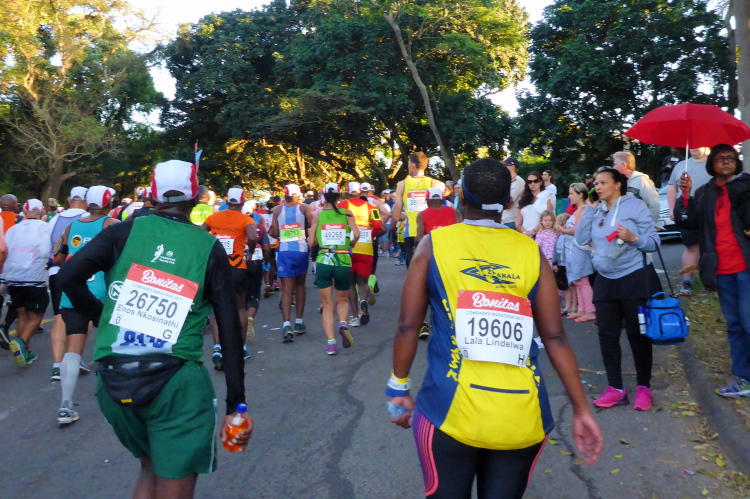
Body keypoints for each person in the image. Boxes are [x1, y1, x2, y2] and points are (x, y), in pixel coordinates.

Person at [387, 158, 603, 498]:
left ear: (460, 197)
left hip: (448, 413)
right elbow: (555, 336)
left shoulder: (433, 245)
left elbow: (408, 326)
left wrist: (398, 387)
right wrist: (581, 409)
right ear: (508, 200)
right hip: (522, 416)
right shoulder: (530, 251)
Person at [58, 160, 252, 497]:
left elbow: (67, 276)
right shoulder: (208, 247)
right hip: (176, 384)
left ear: (151, 196)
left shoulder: (122, 232)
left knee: (149, 466)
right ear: (197, 197)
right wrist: (237, 405)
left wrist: (99, 314)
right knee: (174, 476)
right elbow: (229, 329)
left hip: (114, 379)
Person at [575, 168, 661, 410]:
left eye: (603, 183)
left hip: (634, 277)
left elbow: (654, 242)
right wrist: (589, 211)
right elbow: (580, 239)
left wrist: (634, 238)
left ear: (617, 184)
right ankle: (616, 388)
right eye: (596, 183)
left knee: (638, 335)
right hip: (605, 279)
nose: (597, 187)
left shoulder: (635, 206)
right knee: (607, 335)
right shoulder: (597, 210)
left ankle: (643, 387)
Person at [675, 144, 750, 397]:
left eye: (730, 158)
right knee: (735, 325)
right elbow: (688, 221)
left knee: (749, 321)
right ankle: (744, 379)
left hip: (746, 266)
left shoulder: (746, 186)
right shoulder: (705, 192)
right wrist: (685, 195)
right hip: (721, 269)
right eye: (720, 158)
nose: (726, 162)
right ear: (712, 164)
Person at [52, 186, 119, 424]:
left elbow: (57, 257)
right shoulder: (112, 224)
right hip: (104, 291)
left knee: (73, 347)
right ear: (109, 203)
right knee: (114, 343)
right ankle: (121, 397)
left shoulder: (72, 226)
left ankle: (65, 405)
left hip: (74, 291)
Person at [202, 186, 258, 366]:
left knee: (216, 307)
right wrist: (249, 251)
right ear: (242, 202)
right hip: (236, 268)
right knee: (240, 308)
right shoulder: (246, 219)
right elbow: (253, 237)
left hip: (216, 268)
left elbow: (200, 233)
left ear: (227, 201)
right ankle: (240, 348)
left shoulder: (213, 217)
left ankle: (218, 347)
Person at [308, 183, 359, 354]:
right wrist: (350, 244)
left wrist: (319, 239)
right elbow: (357, 234)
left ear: (323, 197)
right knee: (342, 300)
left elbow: (311, 242)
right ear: (339, 197)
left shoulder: (318, 215)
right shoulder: (347, 213)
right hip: (343, 260)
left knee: (327, 304)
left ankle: (331, 344)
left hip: (324, 260)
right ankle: (343, 324)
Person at [47, 186, 90, 380]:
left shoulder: (55, 219)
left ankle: (57, 365)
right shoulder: (90, 218)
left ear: (69, 199)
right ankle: (74, 357)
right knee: (83, 316)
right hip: (84, 275)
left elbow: (49, 249)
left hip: (57, 272)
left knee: (59, 317)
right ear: (87, 200)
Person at [3, 199, 51, 367]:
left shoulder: (13, 229)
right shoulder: (45, 227)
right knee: (37, 315)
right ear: (42, 211)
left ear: (24, 211)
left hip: (13, 277)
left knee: (22, 313)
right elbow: (45, 251)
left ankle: (26, 352)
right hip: (34, 277)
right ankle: (22, 342)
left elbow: (5, 249)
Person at [270, 184, 313, 341]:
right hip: (301, 250)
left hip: (284, 251)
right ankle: (299, 322)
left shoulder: (277, 210)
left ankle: (286, 324)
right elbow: (312, 225)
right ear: (298, 195)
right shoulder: (304, 208)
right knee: (300, 285)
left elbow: (275, 233)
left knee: (287, 289)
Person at [668, 147, 712, 296]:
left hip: (710, 210)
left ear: (706, 146)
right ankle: (687, 283)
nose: (694, 147)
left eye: (698, 144)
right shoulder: (681, 166)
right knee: (691, 247)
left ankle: (714, 282)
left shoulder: (713, 164)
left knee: (714, 247)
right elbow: (672, 187)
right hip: (688, 211)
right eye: (692, 145)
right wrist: (672, 209)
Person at [339, 182, 382, 326]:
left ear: (347, 192)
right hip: (366, 247)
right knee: (363, 282)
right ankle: (363, 300)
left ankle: (355, 315)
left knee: (350, 282)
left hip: (348, 247)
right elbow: (378, 226)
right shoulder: (371, 207)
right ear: (360, 192)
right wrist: (370, 236)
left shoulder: (342, 206)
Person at [392, 152, 442, 268]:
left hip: (412, 233)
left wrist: (407, 215)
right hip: (431, 233)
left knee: (413, 270)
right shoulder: (435, 183)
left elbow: (396, 216)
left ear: (413, 166)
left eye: (408, 164)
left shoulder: (402, 184)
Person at [558, 184, 595, 323]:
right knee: (578, 280)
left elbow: (578, 230)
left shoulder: (583, 209)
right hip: (573, 248)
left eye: (572, 193)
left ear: (580, 194)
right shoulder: (579, 210)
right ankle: (582, 309)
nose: (569, 196)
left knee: (582, 280)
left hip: (579, 248)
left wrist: (563, 230)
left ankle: (589, 310)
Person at [612, 151, 660, 223]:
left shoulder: (641, 180)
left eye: (615, 164)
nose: (613, 168)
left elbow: (654, 204)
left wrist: (649, 224)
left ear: (624, 165)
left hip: (641, 226)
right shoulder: (618, 183)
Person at [516, 171, 554, 236]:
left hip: (541, 235)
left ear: (540, 182)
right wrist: (525, 232)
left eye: (535, 181)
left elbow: (550, 217)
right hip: (525, 234)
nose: (532, 184)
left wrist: (533, 232)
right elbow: (518, 223)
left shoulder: (547, 197)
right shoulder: (523, 200)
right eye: (530, 182)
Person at [501, 157, 526, 231]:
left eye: (506, 166)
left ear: (512, 167)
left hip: (511, 220)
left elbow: (508, 202)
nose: (503, 168)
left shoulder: (518, 181)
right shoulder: (507, 181)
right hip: (504, 219)